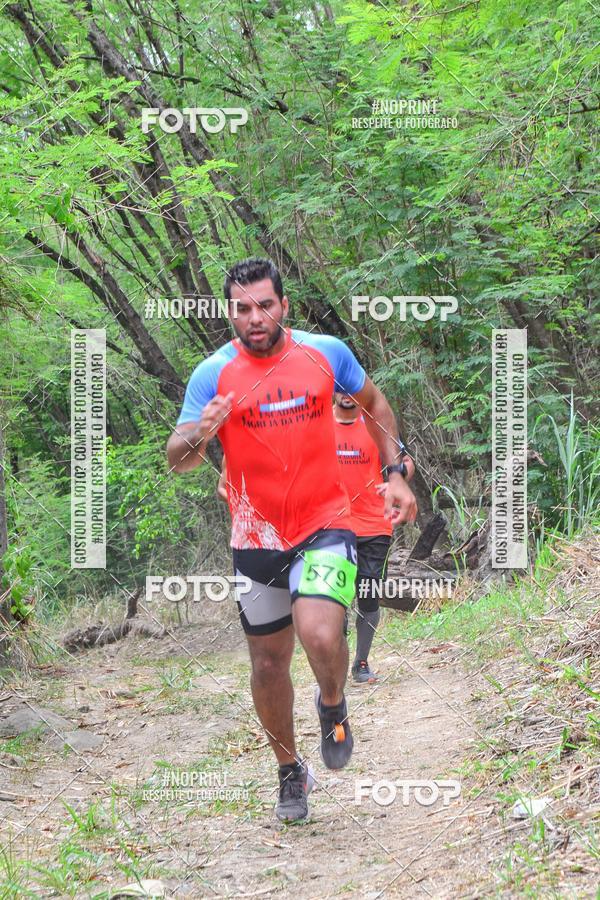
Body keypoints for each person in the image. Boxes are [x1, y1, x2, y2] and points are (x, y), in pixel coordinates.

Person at [166, 257, 418, 823]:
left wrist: (395, 471)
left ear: (284, 305)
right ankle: (288, 769)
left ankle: (332, 700)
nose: (254, 318)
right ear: (229, 312)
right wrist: (200, 431)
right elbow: (178, 458)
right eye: (242, 308)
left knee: (320, 633)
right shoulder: (212, 375)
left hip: (327, 523)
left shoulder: (323, 352)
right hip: (254, 537)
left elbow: (374, 405)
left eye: (264, 305)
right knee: (267, 665)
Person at [333, 392, 415, 684]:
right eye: (340, 389)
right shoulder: (318, 424)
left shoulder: (374, 424)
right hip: (331, 526)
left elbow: (407, 462)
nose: (346, 396)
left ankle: (361, 663)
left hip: (374, 526)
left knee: (368, 596)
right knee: (334, 601)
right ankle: (335, 667)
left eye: (352, 390)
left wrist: (395, 477)